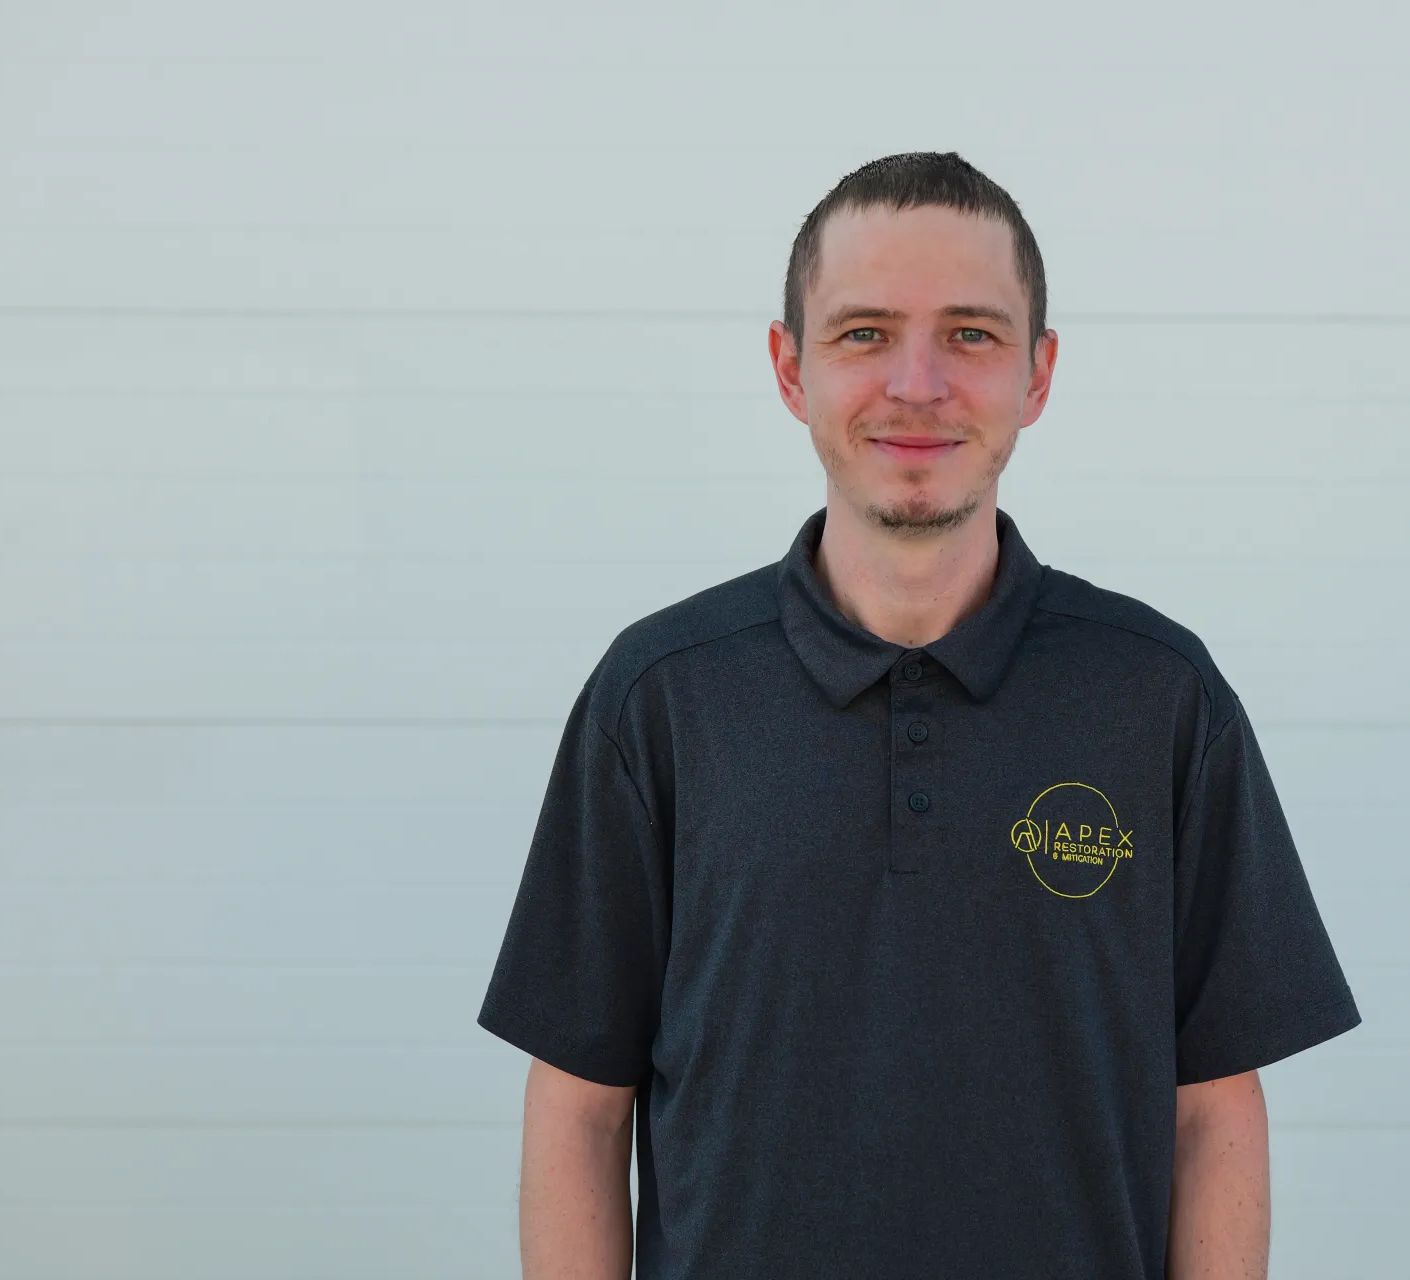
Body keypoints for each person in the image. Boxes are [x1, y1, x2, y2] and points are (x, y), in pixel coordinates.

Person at [478, 151, 1360, 1279]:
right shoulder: (660, 696)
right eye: (863, 333)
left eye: (972, 335)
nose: (917, 382)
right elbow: (579, 1106)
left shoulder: (1158, 694)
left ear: (1039, 376)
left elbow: (1214, 1108)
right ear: (788, 368)